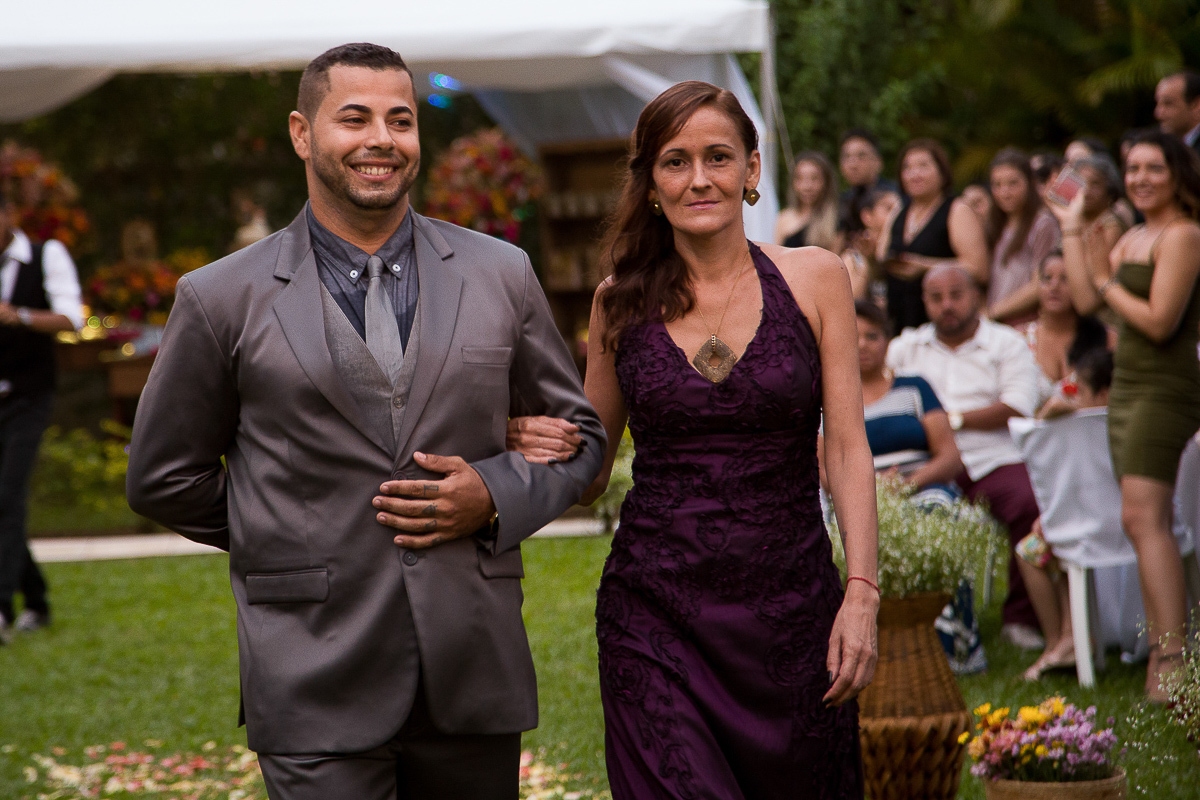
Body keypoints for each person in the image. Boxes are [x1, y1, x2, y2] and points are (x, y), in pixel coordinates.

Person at [126, 43, 605, 800]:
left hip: (471, 666)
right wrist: (291, 526)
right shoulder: (220, 297)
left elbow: (582, 442)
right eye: (354, 118)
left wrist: (492, 494)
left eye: (400, 120)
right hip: (312, 667)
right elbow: (162, 477)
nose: (382, 139)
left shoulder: (500, 273)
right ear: (301, 133)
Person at [511, 81, 879, 799]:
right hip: (654, 616)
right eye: (675, 162)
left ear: (752, 169)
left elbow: (845, 448)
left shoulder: (815, 278)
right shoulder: (619, 299)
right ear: (651, 182)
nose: (699, 178)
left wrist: (861, 592)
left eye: (718, 157)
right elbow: (590, 470)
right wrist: (525, 435)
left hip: (793, 612)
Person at [1051, 129, 1200, 702]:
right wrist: (1070, 227)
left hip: (1166, 386)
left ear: (1178, 174)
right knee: (1143, 521)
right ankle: (1166, 654)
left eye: (1153, 168)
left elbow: (1160, 321)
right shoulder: (1135, 234)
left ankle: (1172, 660)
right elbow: (1088, 301)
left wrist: (1107, 279)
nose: (1140, 178)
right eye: (1132, 168)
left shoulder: (1183, 235)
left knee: (1145, 519)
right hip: (1129, 386)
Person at [887, 265, 1044, 650]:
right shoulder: (906, 347)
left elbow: (1018, 404)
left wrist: (947, 420)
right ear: (924, 302)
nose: (947, 305)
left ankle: (1020, 618)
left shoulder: (1006, 342)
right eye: (936, 297)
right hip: (927, 461)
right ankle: (921, 621)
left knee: (1028, 504)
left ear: (977, 295)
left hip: (992, 459)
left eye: (956, 294)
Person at [0, 187, 83, 641]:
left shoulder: (44, 253)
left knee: (8, 496)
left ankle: (1, 607)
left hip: (28, 395)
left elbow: (71, 318)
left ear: (9, 214)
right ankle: (36, 600)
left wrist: (20, 316)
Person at [1018, 347, 1115, 682]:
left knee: (1033, 549)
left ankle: (1063, 641)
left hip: (1095, 528)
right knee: (1052, 544)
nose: (1075, 400)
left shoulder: (1089, 430)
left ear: (1103, 393)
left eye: (1080, 392)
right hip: (1108, 526)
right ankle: (1065, 639)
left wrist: (1057, 407)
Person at [851, 299, 963, 504]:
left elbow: (950, 457)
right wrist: (875, 487)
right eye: (852, 337)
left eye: (872, 336)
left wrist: (906, 484)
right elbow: (825, 470)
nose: (862, 345)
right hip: (861, 501)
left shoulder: (915, 387)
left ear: (888, 340)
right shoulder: (831, 402)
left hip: (925, 491)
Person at [877, 138, 989, 334]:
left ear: (942, 172)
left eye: (923, 166)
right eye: (908, 168)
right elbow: (881, 258)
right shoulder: (898, 209)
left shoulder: (957, 210)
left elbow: (979, 270)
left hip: (944, 324)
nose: (915, 174)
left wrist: (924, 267)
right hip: (898, 321)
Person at [1018, 252, 1113, 411]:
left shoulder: (1108, 338)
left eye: (1065, 279)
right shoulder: (1018, 338)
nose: (1054, 286)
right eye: (1047, 278)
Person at [985, 148, 1060, 323]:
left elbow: (1040, 283)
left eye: (1013, 183)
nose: (1004, 192)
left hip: (1026, 323)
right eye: (997, 185)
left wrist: (992, 312)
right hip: (997, 325)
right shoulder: (996, 224)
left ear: (1029, 182)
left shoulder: (1043, 224)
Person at [841, 186, 900, 301]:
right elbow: (854, 301)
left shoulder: (899, 249)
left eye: (899, 209)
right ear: (867, 216)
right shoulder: (852, 257)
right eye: (889, 209)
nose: (895, 215)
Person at [774, 150, 841, 251]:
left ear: (826, 182)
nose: (807, 187)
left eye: (814, 179)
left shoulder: (835, 221)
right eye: (800, 178)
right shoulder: (784, 218)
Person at [838, 128, 898, 239]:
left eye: (861, 156)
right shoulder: (841, 203)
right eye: (847, 157)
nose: (853, 164)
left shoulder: (894, 196)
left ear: (878, 162)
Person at [1154, 71, 1200, 154]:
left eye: (1168, 103)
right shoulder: (1158, 145)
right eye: (1158, 103)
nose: (1158, 114)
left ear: (1196, 105)